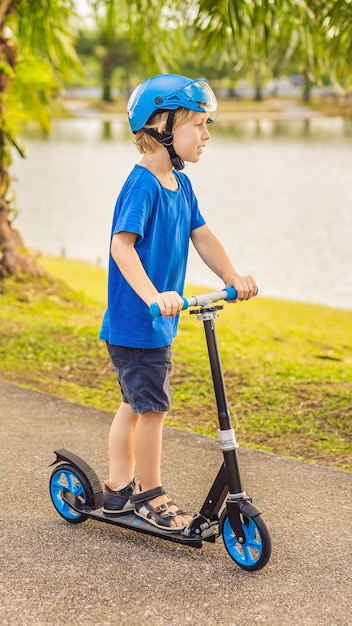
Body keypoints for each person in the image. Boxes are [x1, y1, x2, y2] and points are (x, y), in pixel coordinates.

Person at [99, 74, 257, 531]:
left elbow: (202, 236)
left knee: (136, 401)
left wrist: (232, 277)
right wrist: (154, 295)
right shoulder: (144, 184)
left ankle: (116, 488)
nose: (207, 136)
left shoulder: (180, 186)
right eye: (200, 125)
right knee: (152, 407)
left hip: (154, 322)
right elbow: (121, 247)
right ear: (163, 126)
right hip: (138, 318)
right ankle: (150, 494)